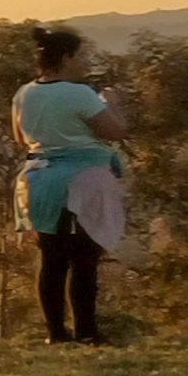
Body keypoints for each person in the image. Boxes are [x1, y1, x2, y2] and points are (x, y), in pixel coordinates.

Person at [11, 27, 132, 344]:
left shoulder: (24, 93)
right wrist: (113, 103)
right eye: (82, 55)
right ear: (67, 57)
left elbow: (20, 137)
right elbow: (115, 130)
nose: (84, 62)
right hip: (82, 180)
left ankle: (56, 335)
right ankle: (87, 334)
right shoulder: (80, 94)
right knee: (84, 257)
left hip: (38, 180)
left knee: (51, 258)